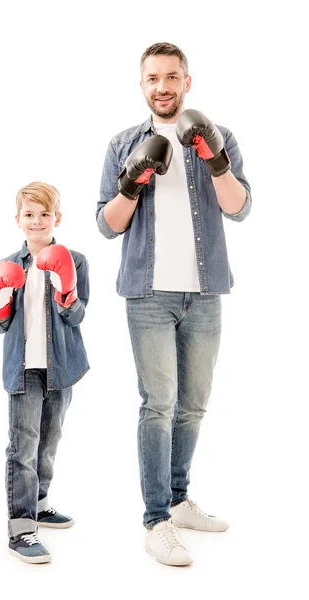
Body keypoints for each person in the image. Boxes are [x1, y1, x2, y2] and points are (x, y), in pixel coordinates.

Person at [97, 42, 251, 567]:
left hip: (205, 291)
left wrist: (216, 159)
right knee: (158, 404)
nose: (161, 86)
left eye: (170, 77)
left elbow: (239, 208)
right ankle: (156, 520)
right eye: (151, 78)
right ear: (142, 86)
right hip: (148, 294)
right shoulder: (123, 143)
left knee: (194, 404)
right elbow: (107, 224)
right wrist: (132, 183)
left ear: (188, 81)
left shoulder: (219, 135)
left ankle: (180, 498)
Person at [0, 181, 89, 563]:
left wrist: (66, 291)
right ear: (18, 220)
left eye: (45, 214)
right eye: (29, 214)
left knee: (49, 442)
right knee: (23, 448)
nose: (37, 221)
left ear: (57, 218)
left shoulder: (76, 260)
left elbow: (78, 315)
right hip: (23, 370)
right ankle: (21, 529)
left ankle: (40, 503)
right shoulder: (8, 266)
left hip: (62, 367)